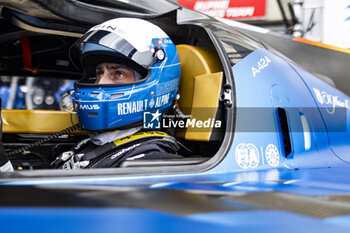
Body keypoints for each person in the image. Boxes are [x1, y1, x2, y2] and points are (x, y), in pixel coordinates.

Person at [52, 18, 184, 169]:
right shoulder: (92, 143)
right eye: (98, 73)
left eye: (118, 74)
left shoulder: (151, 161)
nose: (100, 83)